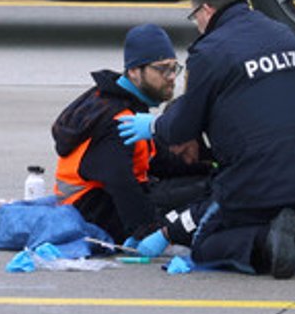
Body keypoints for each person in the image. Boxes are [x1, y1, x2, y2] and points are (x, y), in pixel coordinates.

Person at [120, 0, 295, 278]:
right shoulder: (282, 32)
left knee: (206, 243)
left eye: (194, 16)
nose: (197, 25)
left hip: (261, 179)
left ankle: (265, 241)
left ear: (206, 11)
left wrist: (155, 125)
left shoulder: (210, 51)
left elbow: (183, 125)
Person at [50, 24, 210, 252]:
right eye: (163, 69)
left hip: (103, 199)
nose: (172, 77)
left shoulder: (120, 101)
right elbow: (120, 182)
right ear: (135, 71)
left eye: (175, 68)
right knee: (205, 198)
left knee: (204, 183)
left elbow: (154, 158)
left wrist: (206, 165)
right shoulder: (117, 118)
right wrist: (147, 230)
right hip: (94, 210)